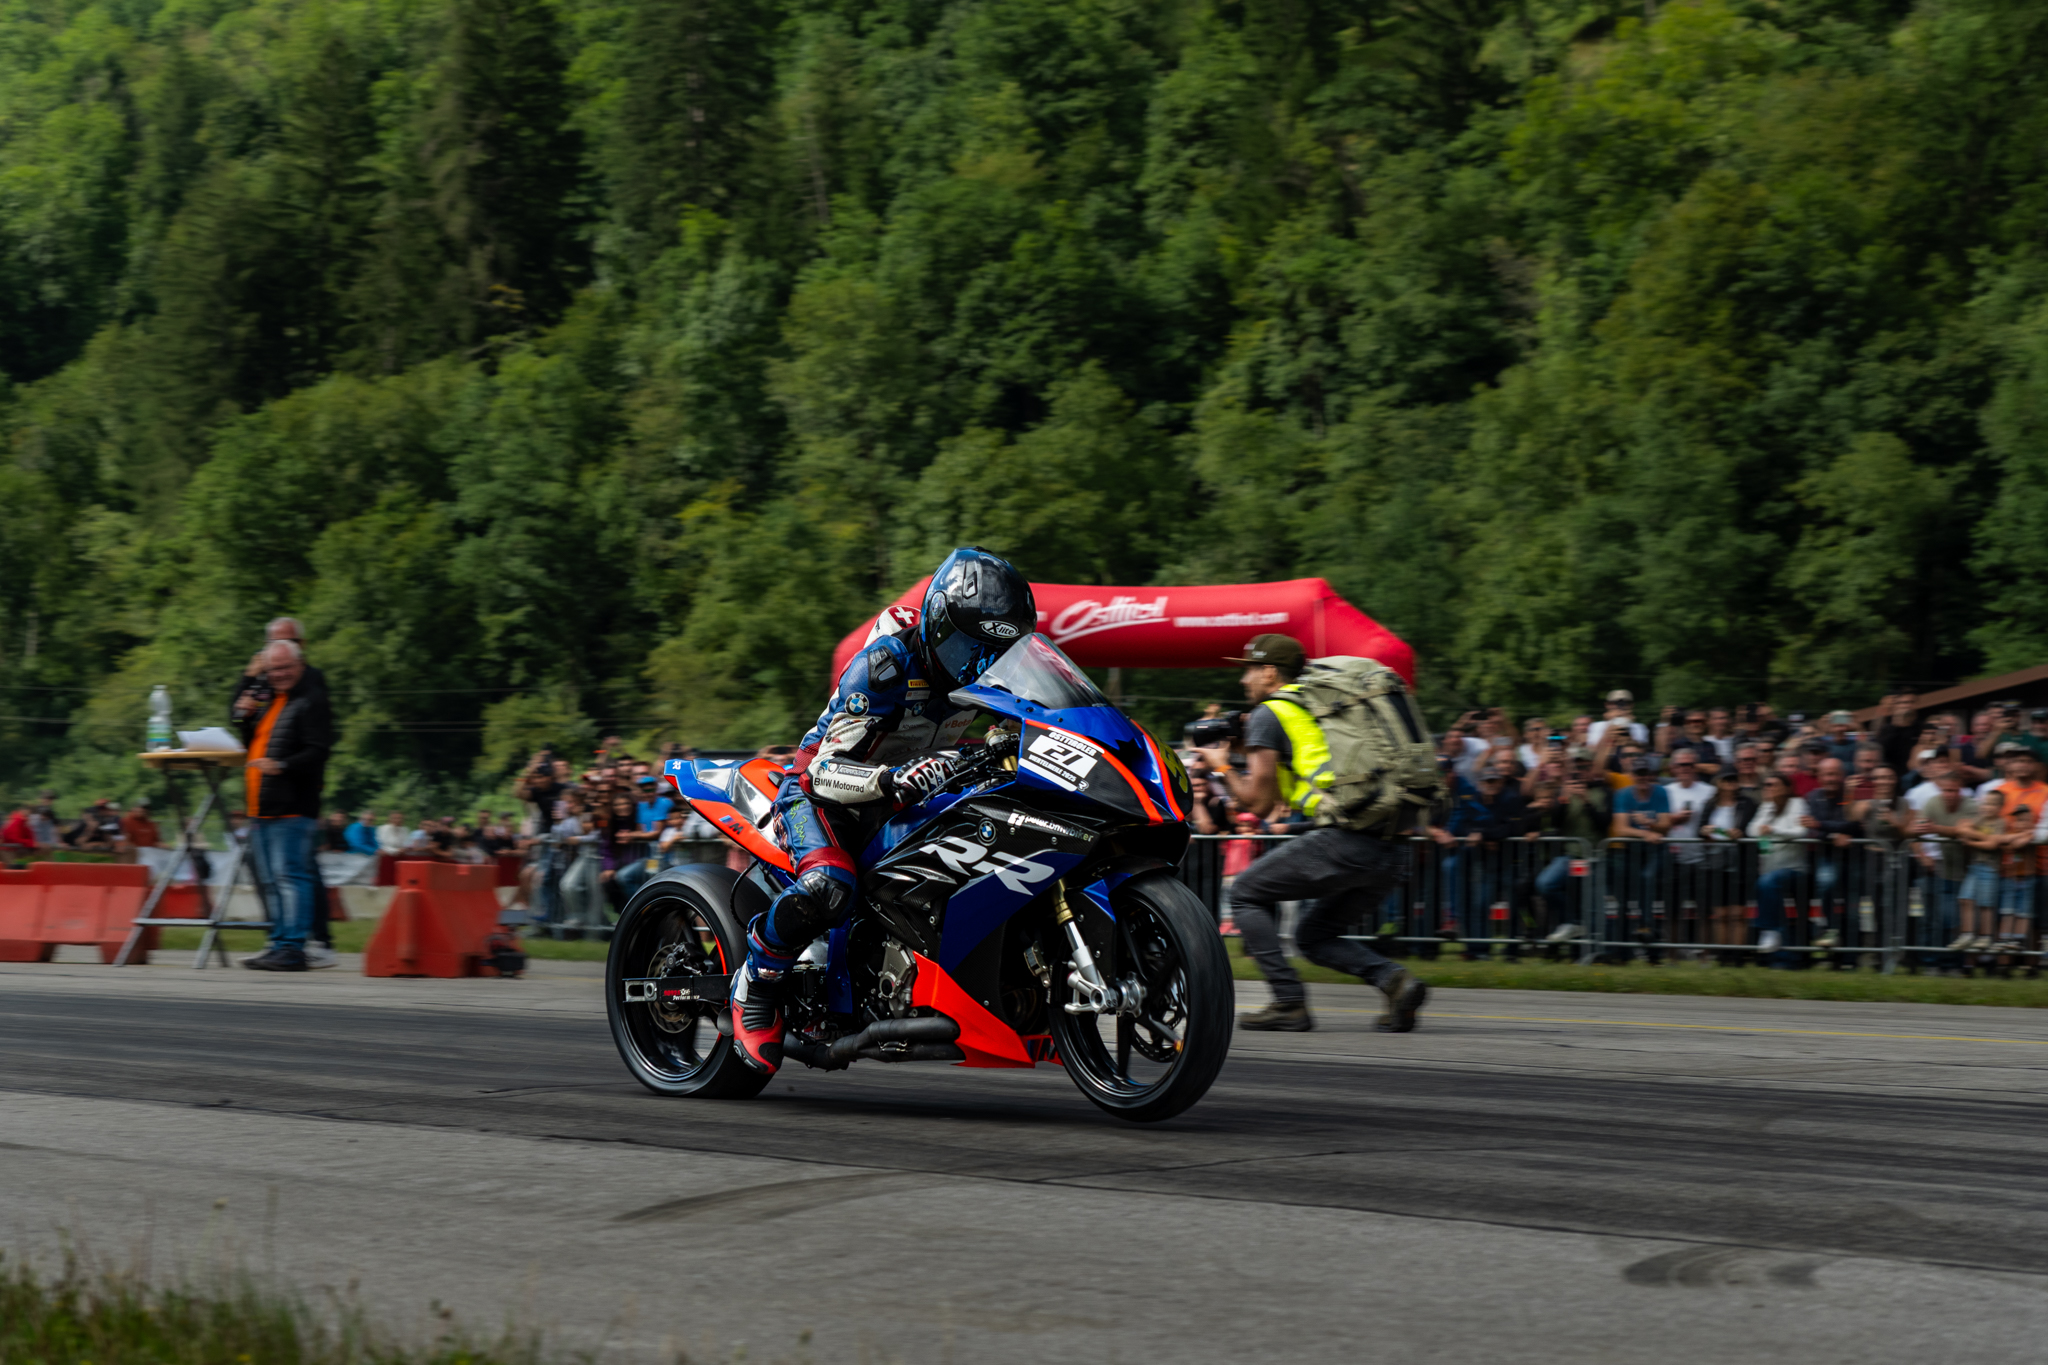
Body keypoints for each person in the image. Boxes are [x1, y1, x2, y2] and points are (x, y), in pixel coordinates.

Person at [725, 547, 1040, 1073]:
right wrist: (890, 779)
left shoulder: (988, 676)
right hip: (824, 792)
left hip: (913, 793)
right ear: (938, 625)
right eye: (967, 647)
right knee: (830, 885)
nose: (978, 665)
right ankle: (755, 982)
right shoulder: (885, 667)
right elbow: (824, 771)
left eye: (994, 653)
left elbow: (1038, 719)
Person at [1197, 633, 1431, 1033]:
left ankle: (1288, 1002)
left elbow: (1258, 804)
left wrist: (1221, 765)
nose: (1243, 679)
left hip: (1348, 839)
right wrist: (1246, 751)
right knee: (1314, 936)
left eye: (1249, 670)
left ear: (1269, 672)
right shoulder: (1319, 707)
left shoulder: (1271, 713)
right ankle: (1396, 982)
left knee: (1245, 893)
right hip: (1392, 846)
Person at [236, 639, 336, 972]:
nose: (279, 674)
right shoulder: (271, 701)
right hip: (262, 806)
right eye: (273, 669)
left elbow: (319, 750)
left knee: (290, 877)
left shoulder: (311, 700)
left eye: (285, 667)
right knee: (270, 881)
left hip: (292, 807)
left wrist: (282, 766)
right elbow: (252, 741)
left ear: (300, 664)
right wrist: (245, 715)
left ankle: (293, 947)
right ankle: (279, 943)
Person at [1747, 773, 1809, 959]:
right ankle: (1783, 958)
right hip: (1770, 871)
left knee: (1766, 882)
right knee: (1766, 885)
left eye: (1773, 784)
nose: (1768, 788)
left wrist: (1773, 830)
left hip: (1795, 870)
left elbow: (1801, 831)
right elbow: (1751, 830)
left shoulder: (1797, 804)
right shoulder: (1766, 807)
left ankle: (1769, 930)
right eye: (1766, 785)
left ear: (1787, 788)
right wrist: (1764, 826)